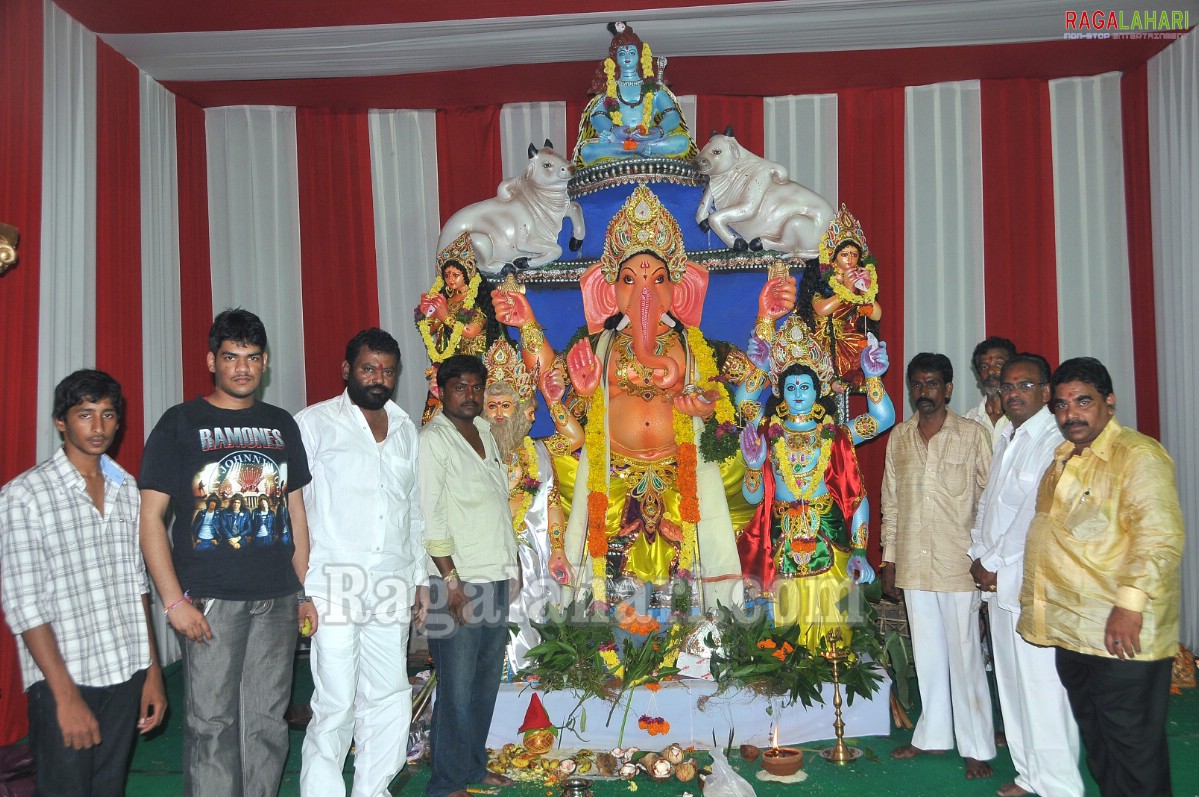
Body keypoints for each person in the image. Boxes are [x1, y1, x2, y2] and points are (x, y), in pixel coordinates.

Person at [139, 308, 317, 797]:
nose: (243, 367)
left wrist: (306, 590)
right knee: (212, 725)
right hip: (209, 600)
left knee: (266, 722)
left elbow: (295, 514)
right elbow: (150, 518)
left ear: (266, 364)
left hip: (278, 597)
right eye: (231, 357)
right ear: (211, 361)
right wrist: (174, 601)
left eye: (253, 357)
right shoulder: (180, 423)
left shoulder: (280, 424)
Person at [1019, 357, 1183, 797]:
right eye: (1061, 405)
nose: (1070, 413)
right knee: (1101, 745)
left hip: (1121, 634)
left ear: (1109, 402)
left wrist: (1129, 607)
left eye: (1083, 401)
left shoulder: (1137, 455)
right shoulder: (1065, 457)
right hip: (1075, 629)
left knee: (1132, 748)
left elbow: (1160, 537)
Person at [0, 370, 166, 797]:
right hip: (65, 679)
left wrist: (151, 674)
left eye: (108, 414)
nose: (98, 427)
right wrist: (65, 697)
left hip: (124, 671)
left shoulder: (127, 488)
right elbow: (24, 604)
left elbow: (136, 587)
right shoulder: (24, 495)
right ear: (61, 422)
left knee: (108, 788)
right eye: (85, 414)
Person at [296, 328, 429, 797]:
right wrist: (301, 588)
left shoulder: (406, 428)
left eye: (388, 371)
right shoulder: (313, 424)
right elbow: (293, 510)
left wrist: (418, 578)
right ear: (347, 370)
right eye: (368, 368)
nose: (379, 378)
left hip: (391, 580)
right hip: (333, 582)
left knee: (389, 695)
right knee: (334, 701)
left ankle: (373, 790)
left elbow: (412, 508)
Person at [735, 310, 894, 648]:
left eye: (805, 385)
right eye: (790, 386)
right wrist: (753, 465)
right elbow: (753, 498)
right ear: (779, 390)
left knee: (833, 634)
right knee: (785, 638)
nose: (797, 393)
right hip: (782, 542)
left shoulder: (836, 435)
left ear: (819, 388)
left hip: (830, 537)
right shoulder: (767, 432)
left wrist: (873, 377)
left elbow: (882, 419)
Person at [967, 354, 1083, 797]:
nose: (1013, 393)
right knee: (1012, 686)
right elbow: (989, 503)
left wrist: (992, 563)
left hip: (1029, 583)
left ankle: (1060, 787)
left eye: (1025, 385)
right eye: (1008, 387)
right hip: (996, 585)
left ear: (1046, 391)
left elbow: (1035, 513)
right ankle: (1030, 775)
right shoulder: (1007, 437)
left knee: (1042, 689)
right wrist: (977, 552)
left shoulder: (1052, 439)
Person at [881, 352, 995, 779]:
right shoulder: (900, 438)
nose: (922, 392)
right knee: (926, 655)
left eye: (931, 384)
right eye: (916, 384)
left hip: (958, 564)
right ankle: (932, 737)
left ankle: (976, 746)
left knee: (965, 657)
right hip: (913, 563)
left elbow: (990, 500)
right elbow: (891, 504)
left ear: (948, 389)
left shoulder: (972, 436)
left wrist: (984, 555)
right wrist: (889, 560)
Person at [418, 354, 518, 797]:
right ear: (441, 391)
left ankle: (473, 768)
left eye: (476, 386)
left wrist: (510, 569)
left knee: (484, 681)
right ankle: (446, 782)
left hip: (493, 574)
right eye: (460, 386)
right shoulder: (432, 441)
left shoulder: (482, 431)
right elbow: (430, 517)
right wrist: (451, 583)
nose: (471, 394)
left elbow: (496, 505)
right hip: (455, 582)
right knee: (456, 689)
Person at [481, 340, 577, 678]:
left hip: (531, 554)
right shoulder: (469, 453)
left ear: (524, 410)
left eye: (506, 405)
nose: (498, 414)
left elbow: (552, 501)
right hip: (482, 554)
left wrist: (559, 550)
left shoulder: (537, 452)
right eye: (491, 406)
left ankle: (526, 670)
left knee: (527, 604)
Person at [573, 21, 696, 167]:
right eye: (621, 53)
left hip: (649, 138)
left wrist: (658, 131)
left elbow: (671, 114)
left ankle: (638, 149)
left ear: (640, 56)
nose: (627, 56)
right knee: (587, 150)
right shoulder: (610, 89)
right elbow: (597, 116)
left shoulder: (653, 88)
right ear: (614, 59)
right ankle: (637, 150)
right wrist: (615, 130)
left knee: (682, 142)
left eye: (632, 52)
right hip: (619, 140)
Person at [416, 232, 506, 424]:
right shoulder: (446, 300)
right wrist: (427, 314)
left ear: (467, 273)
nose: (450, 279)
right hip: (447, 366)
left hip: (472, 366)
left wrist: (444, 315)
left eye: (455, 275)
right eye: (447, 275)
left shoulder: (476, 300)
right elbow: (430, 330)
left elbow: (470, 331)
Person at [799, 205, 883, 392]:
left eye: (854, 255)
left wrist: (865, 291)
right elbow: (820, 309)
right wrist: (844, 290)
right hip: (821, 336)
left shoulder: (861, 278)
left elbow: (876, 315)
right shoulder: (823, 278)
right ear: (833, 257)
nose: (850, 259)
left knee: (868, 351)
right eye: (844, 254)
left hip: (850, 336)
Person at [963, 336, 1017, 449]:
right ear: (978, 376)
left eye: (998, 365)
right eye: (984, 366)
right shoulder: (967, 422)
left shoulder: (1025, 417)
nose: (991, 371)